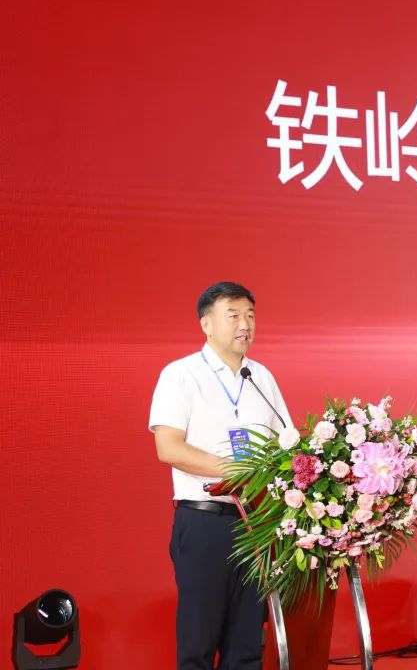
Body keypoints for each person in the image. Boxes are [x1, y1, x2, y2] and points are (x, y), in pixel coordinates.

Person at [150, 281, 293, 670]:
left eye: (250, 316)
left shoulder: (260, 377)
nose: (245, 325)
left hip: (256, 525)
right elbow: (169, 448)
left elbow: (285, 444)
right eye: (233, 316)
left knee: (247, 643)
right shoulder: (181, 375)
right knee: (199, 641)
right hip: (205, 523)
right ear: (206, 324)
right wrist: (239, 471)